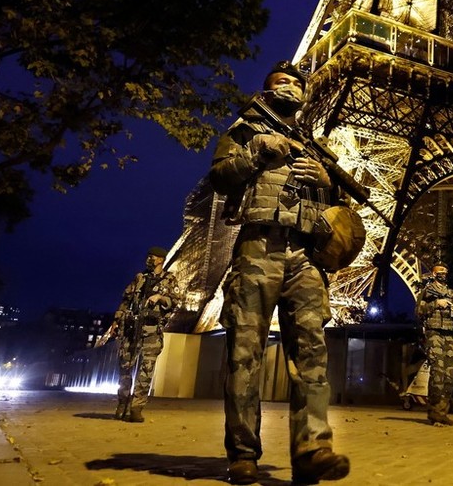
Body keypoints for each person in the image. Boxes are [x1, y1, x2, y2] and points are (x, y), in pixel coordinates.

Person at [209, 61, 351, 485]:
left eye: (294, 82)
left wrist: (327, 180)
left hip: (306, 254)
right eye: (279, 82)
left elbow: (341, 204)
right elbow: (219, 179)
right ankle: (243, 453)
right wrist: (257, 153)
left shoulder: (315, 145)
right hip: (258, 247)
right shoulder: (244, 130)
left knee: (312, 353)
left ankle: (312, 449)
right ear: (266, 90)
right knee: (244, 353)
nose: (288, 86)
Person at [107, 246, 178, 423]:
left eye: (153, 257)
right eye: (148, 256)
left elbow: (175, 301)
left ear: (161, 259)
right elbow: (125, 301)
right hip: (132, 329)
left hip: (152, 330)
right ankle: (123, 402)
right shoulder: (139, 278)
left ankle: (137, 407)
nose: (149, 259)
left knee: (146, 371)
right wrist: (117, 321)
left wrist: (160, 298)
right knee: (125, 367)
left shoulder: (169, 280)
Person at [415, 263, 453, 426]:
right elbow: (418, 311)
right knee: (438, 372)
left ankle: (442, 411)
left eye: (445, 271)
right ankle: (434, 412)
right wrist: (436, 304)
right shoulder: (427, 291)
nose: (443, 274)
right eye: (440, 271)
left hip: (449, 336)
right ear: (433, 273)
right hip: (434, 334)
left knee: (450, 374)